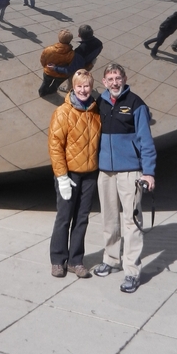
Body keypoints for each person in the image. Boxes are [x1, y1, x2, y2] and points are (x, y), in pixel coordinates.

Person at [94, 63, 156, 293]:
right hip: (105, 172)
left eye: (118, 78)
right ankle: (111, 259)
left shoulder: (136, 104)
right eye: (110, 79)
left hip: (130, 171)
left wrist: (148, 172)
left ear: (125, 79)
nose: (114, 82)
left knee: (131, 222)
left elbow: (146, 140)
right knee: (109, 219)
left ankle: (132, 271)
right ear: (104, 82)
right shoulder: (99, 103)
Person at [48, 69, 101, 278]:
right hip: (69, 174)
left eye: (87, 86)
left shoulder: (96, 111)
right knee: (64, 217)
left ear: (91, 86)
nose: (83, 90)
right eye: (79, 86)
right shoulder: (63, 112)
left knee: (82, 218)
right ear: (73, 87)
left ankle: (76, 260)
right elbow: (55, 146)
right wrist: (61, 177)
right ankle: (58, 260)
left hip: (89, 174)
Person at [48, 25, 104, 90]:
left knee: (71, 77)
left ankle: (68, 88)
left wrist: (55, 68)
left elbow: (70, 69)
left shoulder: (80, 51)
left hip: (81, 67)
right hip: (90, 63)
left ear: (79, 35)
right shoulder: (99, 43)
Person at [39, 29, 75, 97]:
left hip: (49, 71)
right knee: (56, 84)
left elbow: (42, 59)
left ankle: (42, 93)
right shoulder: (71, 53)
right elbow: (70, 66)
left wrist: (45, 66)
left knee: (45, 83)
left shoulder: (49, 49)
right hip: (61, 75)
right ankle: (51, 91)